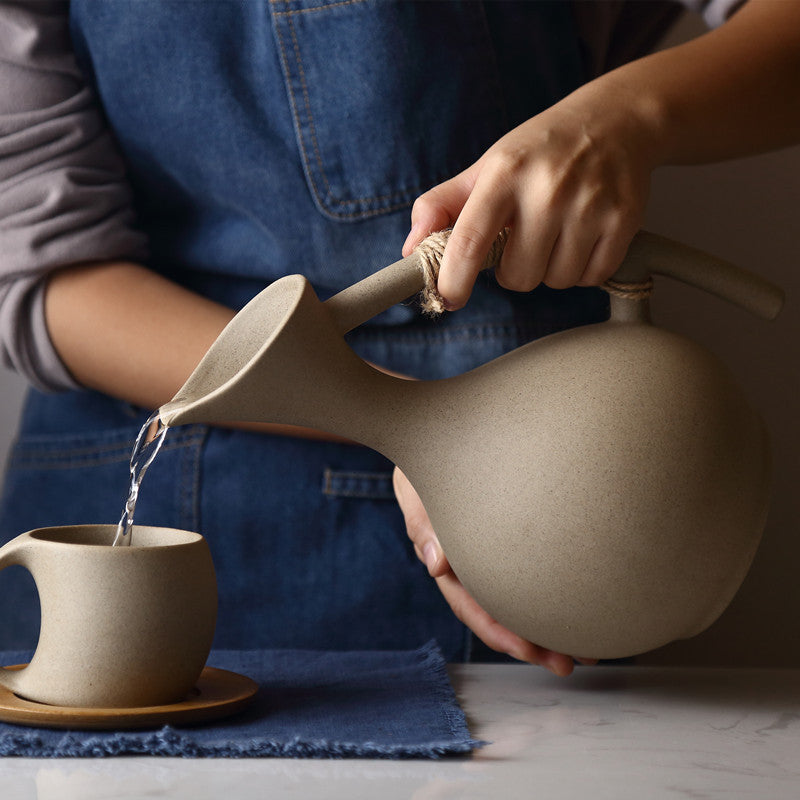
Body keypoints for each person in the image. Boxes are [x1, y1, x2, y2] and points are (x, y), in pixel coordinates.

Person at [0, 0, 798, 675]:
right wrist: (423, 427)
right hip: (141, 479)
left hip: (565, 503)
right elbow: (41, 267)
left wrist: (626, 119)